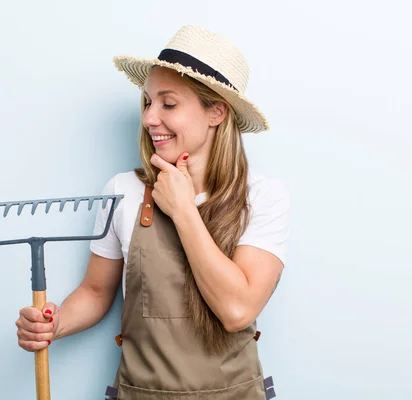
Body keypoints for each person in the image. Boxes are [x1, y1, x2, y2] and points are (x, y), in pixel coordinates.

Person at [15, 25, 290, 399]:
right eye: (147, 103)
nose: (148, 119)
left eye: (168, 104)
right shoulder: (123, 192)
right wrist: (55, 323)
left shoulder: (262, 198)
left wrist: (182, 210)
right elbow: (96, 292)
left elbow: (237, 309)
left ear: (216, 113)